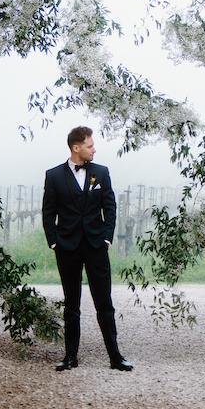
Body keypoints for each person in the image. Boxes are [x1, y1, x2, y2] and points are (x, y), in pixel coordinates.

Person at [42, 126, 133, 372]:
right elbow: (48, 212)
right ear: (76, 147)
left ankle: (115, 357)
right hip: (67, 248)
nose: (94, 150)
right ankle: (70, 357)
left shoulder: (101, 173)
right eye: (90, 145)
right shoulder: (53, 176)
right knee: (71, 304)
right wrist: (54, 242)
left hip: (96, 247)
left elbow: (110, 207)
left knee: (104, 303)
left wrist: (107, 239)